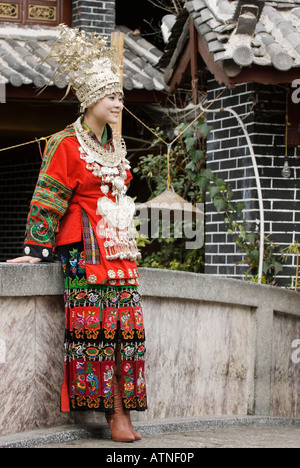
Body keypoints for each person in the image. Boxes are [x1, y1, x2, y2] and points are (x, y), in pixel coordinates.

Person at [7, 24, 147, 443]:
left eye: (121, 96)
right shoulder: (67, 145)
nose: (119, 103)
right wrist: (36, 248)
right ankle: (114, 415)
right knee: (98, 331)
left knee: (129, 331)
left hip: (121, 255)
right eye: (111, 96)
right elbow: (47, 196)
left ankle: (124, 408)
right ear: (90, 100)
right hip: (84, 253)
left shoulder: (114, 148)